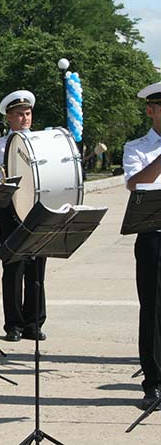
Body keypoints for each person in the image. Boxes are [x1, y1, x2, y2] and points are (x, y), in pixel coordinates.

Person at [0, 90, 47, 342]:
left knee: (37, 269)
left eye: (28, 113)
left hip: (37, 210)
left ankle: (34, 323)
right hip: (10, 210)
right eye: (19, 114)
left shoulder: (41, 142)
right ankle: (13, 324)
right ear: (8, 117)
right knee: (13, 269)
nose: (25, 118)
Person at [123, 80, 161, 410]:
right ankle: (154, 382)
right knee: (153, 311)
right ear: (151, 111)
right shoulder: (138, 147)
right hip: (153, 237)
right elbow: (135, 183)